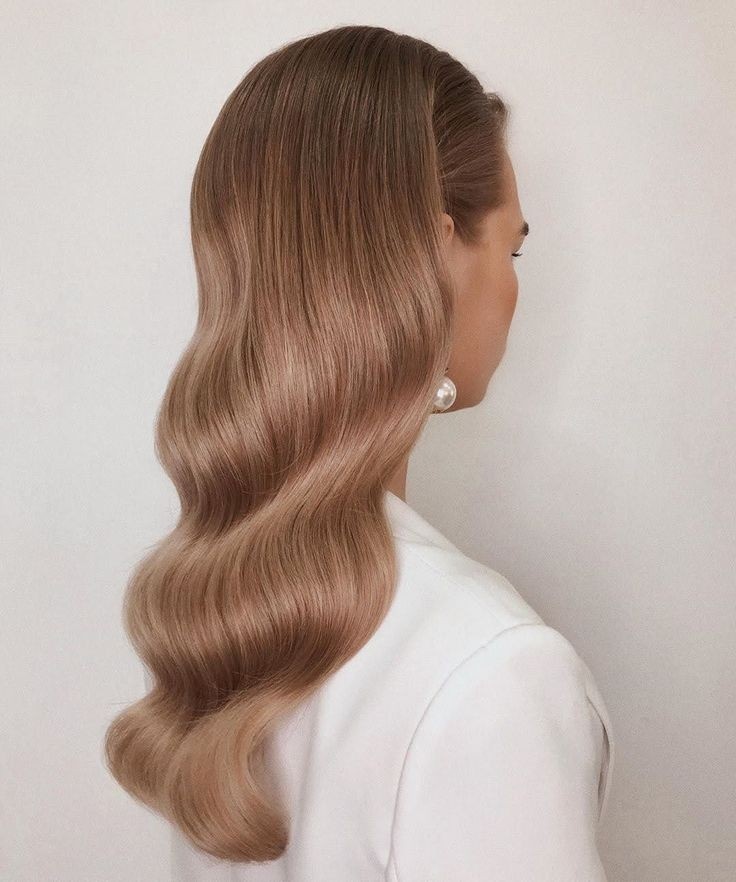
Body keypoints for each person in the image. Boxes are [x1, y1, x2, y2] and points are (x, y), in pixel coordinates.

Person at [105, 24, 614, 881]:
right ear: (436, 254)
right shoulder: (492, 670)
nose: (513, 283)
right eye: (512, 246)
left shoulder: (228, 605)